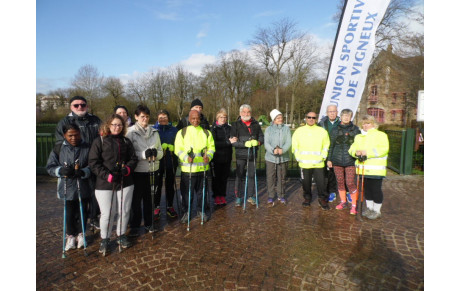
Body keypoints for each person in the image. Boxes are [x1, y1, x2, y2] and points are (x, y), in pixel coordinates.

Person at [89, 114, 138, 255]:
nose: (117, 127)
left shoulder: (126, 141)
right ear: (108, 125)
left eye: (119, 125)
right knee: (107, 213)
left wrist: (127, 168)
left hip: (125, 182)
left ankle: (121, 235)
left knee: (124, 210)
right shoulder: (100, 141)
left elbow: (133, 159)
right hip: (105, 184)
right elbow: (93, 162)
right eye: (114, 124)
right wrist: (107, 175)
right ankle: (105, 238)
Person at [55, 96, 102, 231]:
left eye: (83, 105)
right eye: (76, 105)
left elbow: (102, 137)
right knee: (76, 197)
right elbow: (60, 144)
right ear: (71, 107)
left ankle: (93, 217)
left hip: (93, 162)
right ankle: (75, 227)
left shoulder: (95, 120)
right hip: (75, 164)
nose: (80, 107)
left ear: (87, 106)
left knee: (93, 193)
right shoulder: (64, 121)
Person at [46, 124, 92, 251]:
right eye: (70, 135)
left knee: (83, 211)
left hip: (83, 186)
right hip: (67, 187)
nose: (73, 138)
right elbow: (50, 167)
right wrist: (60, 170)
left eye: (76, 135)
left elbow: (93, 165)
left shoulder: (87, 147)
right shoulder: (59, 148)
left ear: (80, 134)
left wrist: (84, 172)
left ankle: (81, 234)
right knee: (70, 213)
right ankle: (71, 236)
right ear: (64, 135)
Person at [125, 105, 163, 237]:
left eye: (147, 116)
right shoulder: (130, 132)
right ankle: (135, 225)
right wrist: (142, 154)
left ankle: (149, 222)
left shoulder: (155, 131)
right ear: (136, 117)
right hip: (138, 171)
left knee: (150, 198)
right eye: (142, 116)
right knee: (136, 200)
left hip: (153, 169)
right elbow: (128, 153)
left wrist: (155, 153)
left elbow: (160, 152)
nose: (145, 119)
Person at [174, 110, 215, 223]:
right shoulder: (182, 132)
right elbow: (178, 149)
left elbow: (211, 148)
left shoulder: (206, 133)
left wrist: (209, 157)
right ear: (189, 119)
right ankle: (186, 212)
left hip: (203, 169)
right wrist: (186, 157)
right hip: (188, 170)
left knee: (202, 193)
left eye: (197, 118)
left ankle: (201, 210)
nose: (195, 120)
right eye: (193, 118)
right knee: (187, 194)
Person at [348, 115, 389, 220]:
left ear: (373, 124)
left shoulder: (381, 135)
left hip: (376, 169)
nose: (365, 125)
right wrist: (355, 152)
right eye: (364, 123)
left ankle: (377, 210)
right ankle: (369, 208)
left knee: (375, 190)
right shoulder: (359, 136)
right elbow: (351, 149)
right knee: (366, 191)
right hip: (362, 168)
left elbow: (383, 149)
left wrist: (367, 153)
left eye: (368, 123)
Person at [292, 112, 330, 210]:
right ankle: (307, 198)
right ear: (306, 118)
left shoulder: (322, 131)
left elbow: (326, 144)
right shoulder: (299, 131)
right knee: (306, 183)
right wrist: (298, 157)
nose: (311, 119)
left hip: (319, 163)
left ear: (316, 119)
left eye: (313, 117)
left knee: (321, 183)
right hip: (304, 163)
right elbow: (295, 145)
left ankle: (322, 199)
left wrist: (323, 156)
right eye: (309, 117)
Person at [327, 109, 361, 214]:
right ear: (340, 117)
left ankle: (354, 205)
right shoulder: (335, 129)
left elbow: (359, 144)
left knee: (350, 183)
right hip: (337, 160)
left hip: (350, 160)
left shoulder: (355, 129)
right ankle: (343, 202)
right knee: (340, 182)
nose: (346, 118)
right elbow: (331, 145)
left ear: (351, 117)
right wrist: (329, 159)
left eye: (348, 116)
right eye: (344, 116)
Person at [230, 104, 264, 207]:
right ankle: (238, 197)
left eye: (248, 112)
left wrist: (258, 142)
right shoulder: (235, 124)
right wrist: (244, 144)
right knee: (239, 176)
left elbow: (262, 137)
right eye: (244, 112)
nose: (246, 114)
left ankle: (251, 195)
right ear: (240, 113)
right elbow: (233, 141)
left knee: (251, 175)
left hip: (252, 154)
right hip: (241, 154)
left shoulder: (255, 124)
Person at [152, 109, 179, 219]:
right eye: (160, 117)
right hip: (157, 161)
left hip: (170, 161)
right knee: (157, 185)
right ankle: (156, 206)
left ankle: (169, 206)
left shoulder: (174, 130)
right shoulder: (153, 129)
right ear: (157, 118)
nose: (163, 119)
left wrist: (174, 149)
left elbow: (179, 144)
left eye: (165, 117)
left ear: (168, 118)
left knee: (170, 185)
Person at [264, 109, 291, 206]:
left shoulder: (286, 129)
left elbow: (288, 142)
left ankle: (281, 195)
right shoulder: (268, 129)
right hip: (270, 157)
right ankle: (271, 196)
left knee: (282, 177)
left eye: (281, 117)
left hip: (283, 157)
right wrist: (272, 150)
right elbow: (266, 143)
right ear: (273, 119)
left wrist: (282, 150)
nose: (280, 119)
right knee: (270, 177)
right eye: (278, 118)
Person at [318, 104, 344, 203]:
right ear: (327, 113)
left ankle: (336, 191)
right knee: (326, 173)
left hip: (338, 151)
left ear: (337, 112)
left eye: (334, 111)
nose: (332, 113)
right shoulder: (322, 123)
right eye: (330, 111)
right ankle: (327, 191)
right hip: (325, 151)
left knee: (336, 172)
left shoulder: (342, 122)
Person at [210, 108, 233, 206]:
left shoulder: (229, 128)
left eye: (225, 117)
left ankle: (222, 195)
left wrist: (230, 142)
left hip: (227, 157)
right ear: (217, 118)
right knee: (217, 178)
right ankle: (216, 196)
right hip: (217, 157)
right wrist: (228, 142)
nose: (223, 119)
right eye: (221, 117)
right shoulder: (213, 129)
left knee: (224, 177)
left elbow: (233, 139)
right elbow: (214, 143)